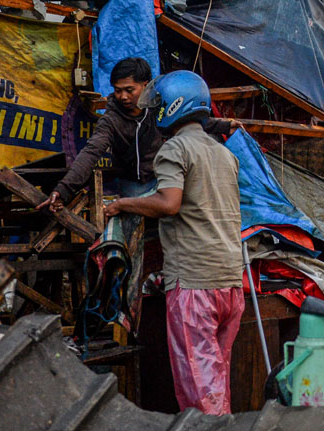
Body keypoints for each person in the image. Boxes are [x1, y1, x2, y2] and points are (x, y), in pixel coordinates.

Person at [102, 70, 243, 414]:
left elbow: (169, 203)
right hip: (230, 281)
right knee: (217, 379)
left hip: (194, 284)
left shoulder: (174, 149)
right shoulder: (224, 154)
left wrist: (122, 204)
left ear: (175, 106)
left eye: (162, 104)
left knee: (200, 390)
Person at [39, 58, 236, 212]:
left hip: (163, 180)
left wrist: (225, 126)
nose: (123, 96)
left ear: (145, 85)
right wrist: (62, 190)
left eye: (129, 90)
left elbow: (188, 120)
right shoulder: (111, 120)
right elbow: (91, 153)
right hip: (131, 185)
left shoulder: (159, 109)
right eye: (117, 91)